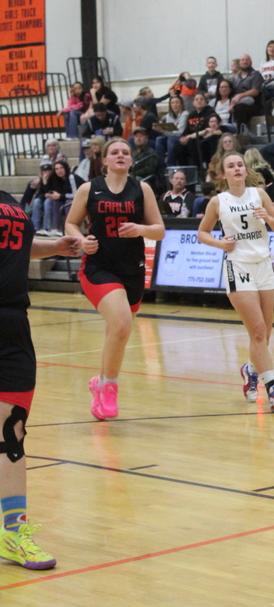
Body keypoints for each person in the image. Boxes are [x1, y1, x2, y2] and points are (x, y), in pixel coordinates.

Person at [0, 192, 80, 570]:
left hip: (14, 322)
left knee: (10, 431)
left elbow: (17, 246)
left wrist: (57, 247)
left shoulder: (8, 200)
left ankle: (13, 535)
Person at [65, 139, 165, 420]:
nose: (120, 155)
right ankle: (109, 387)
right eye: (114, 152)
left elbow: (159, 231)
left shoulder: (142, 189)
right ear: (105, 160)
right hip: (98, 267)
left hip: (132, 269)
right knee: (121, 324)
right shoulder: (90, 188)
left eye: (125, 152)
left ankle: (99, 381)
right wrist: (82, 240)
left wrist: (140, 228)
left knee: (117, 332)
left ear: (131, 160)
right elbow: (71, 223)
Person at [197, 151, 274, 411]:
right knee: (258, 331)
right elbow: (202, 233)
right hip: (238, 267)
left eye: (240, 164)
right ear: (224, 174)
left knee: (265, 335)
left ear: (246, 170)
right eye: (231, 166)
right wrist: (219, 243)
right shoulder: (218, 201)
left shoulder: (259, 195)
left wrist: (268, 218)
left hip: (264, 265)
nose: (237, 168)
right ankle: (273, 388)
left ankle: (250, 370)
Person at [231, 55, 264, 132]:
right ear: (239, 63)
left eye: (247, 60)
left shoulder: (256, 75)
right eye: (242, 60)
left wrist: (240, 96)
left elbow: (255, 91)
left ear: (251, 62)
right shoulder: (235, 78)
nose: (244, 62)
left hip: (253, 105)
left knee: (240, 108)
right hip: (237, 104)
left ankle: (240, 134)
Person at [155, 94, 189, 165]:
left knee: (171, 140)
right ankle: (161, 165)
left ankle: (170, 164)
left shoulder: (185, 114)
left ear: (181, 104)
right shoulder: (168, 115)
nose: (175, 105)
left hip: (182, 137)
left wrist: (162, 131)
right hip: (171, 136)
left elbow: (179, 132)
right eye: (172, 103)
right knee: (159, 139)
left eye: (177, 102)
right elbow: (169, 129)